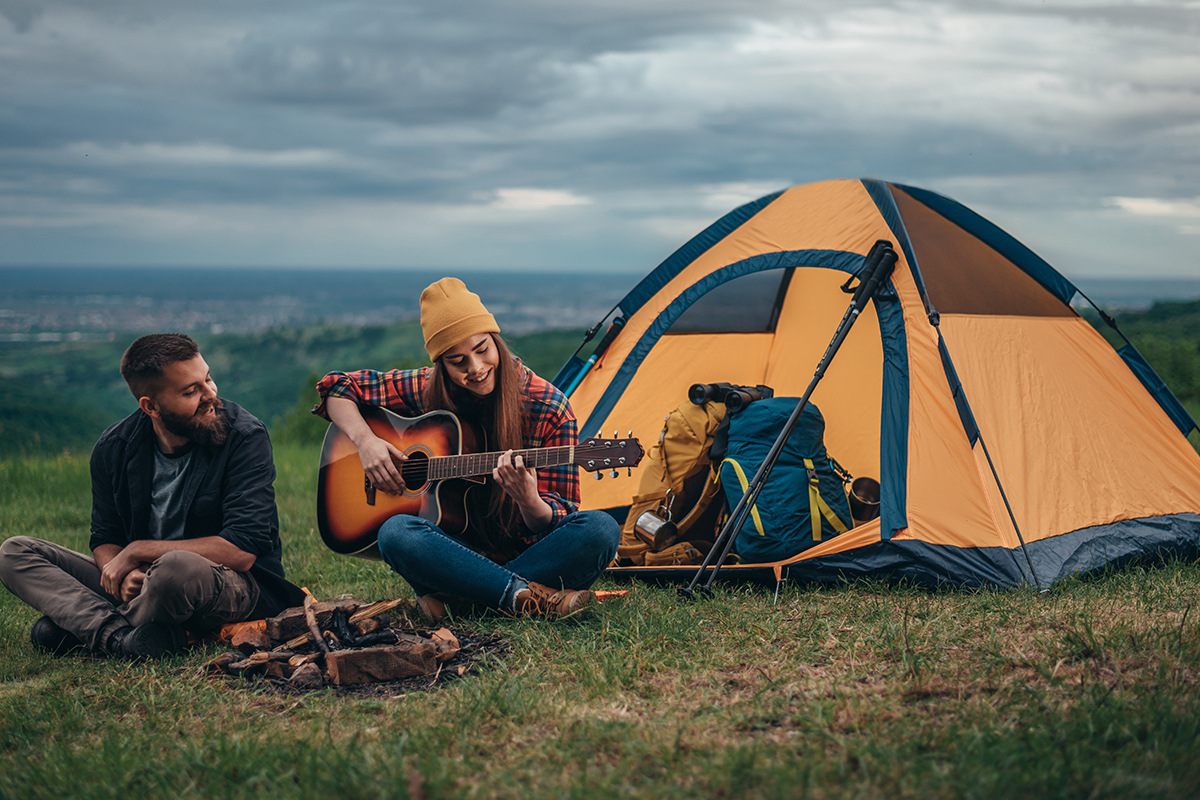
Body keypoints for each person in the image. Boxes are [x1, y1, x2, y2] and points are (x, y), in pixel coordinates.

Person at [313, 277, 620, 619]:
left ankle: (464, 598)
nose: (476, 369)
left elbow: (558, 517)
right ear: (441, 365)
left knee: (600, 530)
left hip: (527, 553)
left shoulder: (548, 407)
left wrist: (528, 500)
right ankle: (522, 596)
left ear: (496, 341)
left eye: (482, 350)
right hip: (454, 550)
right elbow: (336, 387)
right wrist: (366, 442)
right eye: (458, 361)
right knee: (396, 533)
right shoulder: (429, 387)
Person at [0, 333, 305, 659]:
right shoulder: (113, 448)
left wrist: (138, 551)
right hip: (144, 587)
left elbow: (243, 551)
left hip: (232, 584)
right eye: (191, 391)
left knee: (175, 568)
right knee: (14, 552)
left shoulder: (244, 436)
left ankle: (85, 629)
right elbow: (105, 538)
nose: (210, 394)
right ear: (151, 406)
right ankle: (120, 638)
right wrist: (124, 572)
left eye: (208, 379)